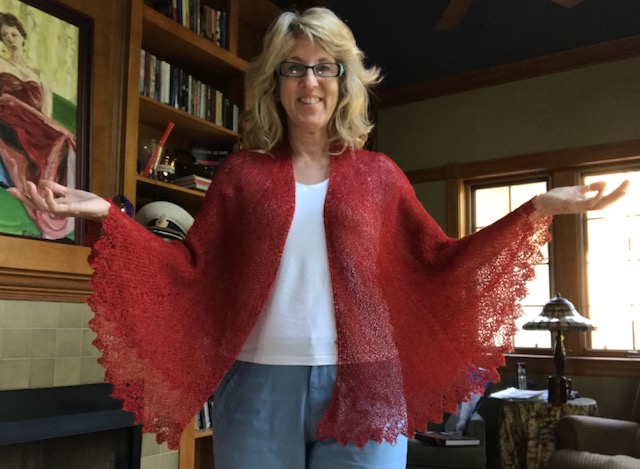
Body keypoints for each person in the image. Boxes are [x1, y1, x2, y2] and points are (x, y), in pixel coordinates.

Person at [8, 7, 629, 469]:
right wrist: (107, 214)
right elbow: (189, 266)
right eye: (294, 68)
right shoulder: (242, 175)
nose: (310, 81)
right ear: (276, 83)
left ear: (343, 80)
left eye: (324, 67)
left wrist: (536, 208)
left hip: (367, 384)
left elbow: (440, 259)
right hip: (257, 386)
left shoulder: (379, 175)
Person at [0, 12, 76, 240]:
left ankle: (53, 198)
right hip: (8, 117)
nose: (10, 39)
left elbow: (46, 115)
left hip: (34, 125)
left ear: (22, 36)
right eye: (5, 35)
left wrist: (49, 129)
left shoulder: (40, 74)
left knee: (63, 139)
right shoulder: (1, 63)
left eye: (14, 34)